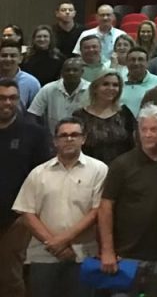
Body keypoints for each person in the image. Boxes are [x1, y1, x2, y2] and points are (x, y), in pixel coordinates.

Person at [13, 115, 107, 297]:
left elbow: (97, 211)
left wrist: (61, 241)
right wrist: (54, 245)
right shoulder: (38, 173)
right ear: (55, 141)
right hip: (43, 255)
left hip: (83, 255)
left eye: (74, 134)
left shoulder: (99, 170)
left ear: (83, 139)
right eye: (63, 135)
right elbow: (27, 213)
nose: (69, 139)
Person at [98, 104, 157, 297]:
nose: (148, 135)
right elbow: (106, 207)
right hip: (126, 255)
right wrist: (107, 250)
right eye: (144, 129)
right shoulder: (121, 165)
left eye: (154, 129)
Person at [0, 77, 51, 297]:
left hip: (16, 218)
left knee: (9, 276)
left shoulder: (34, 133)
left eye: (12, 98)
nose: (7, 103)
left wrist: (26, 214)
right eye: (2, 98)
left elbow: (42, 176)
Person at [73, 71, 136, 164]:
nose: (111, 88)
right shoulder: (80, 116)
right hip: (91, 169)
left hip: (121, 169)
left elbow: (133, 145)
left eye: (115, 85)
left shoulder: (125, 113)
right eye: (105, 84)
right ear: (95, 88)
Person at [28, 57, 89, 134]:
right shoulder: (48, 89)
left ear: (82, 72)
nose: (71, 73)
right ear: (61, 72)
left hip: (83, 138)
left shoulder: (90, 90)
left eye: (75, 70)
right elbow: (33, 114)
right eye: (67, 70)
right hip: (54, 137)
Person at [121, 46, 157, 116]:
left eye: (140, 59)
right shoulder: (119, 82)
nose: (136, 63)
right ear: (126, 62)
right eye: (132, 59)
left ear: (147, 63)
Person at [0, 39, 40, 110]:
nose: (8, 59)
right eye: (4, 55)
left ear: (20, 59)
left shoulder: (32, 83)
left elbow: (35, 112)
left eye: (13, 56)